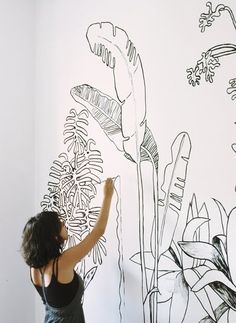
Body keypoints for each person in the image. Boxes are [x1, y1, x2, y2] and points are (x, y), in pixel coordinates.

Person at [21, 177, 114, 323]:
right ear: (53, 235)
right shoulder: (63, 263)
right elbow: (98, 231)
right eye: (59, 223)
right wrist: (107, 196)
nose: (64, 223)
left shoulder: (35, 268)